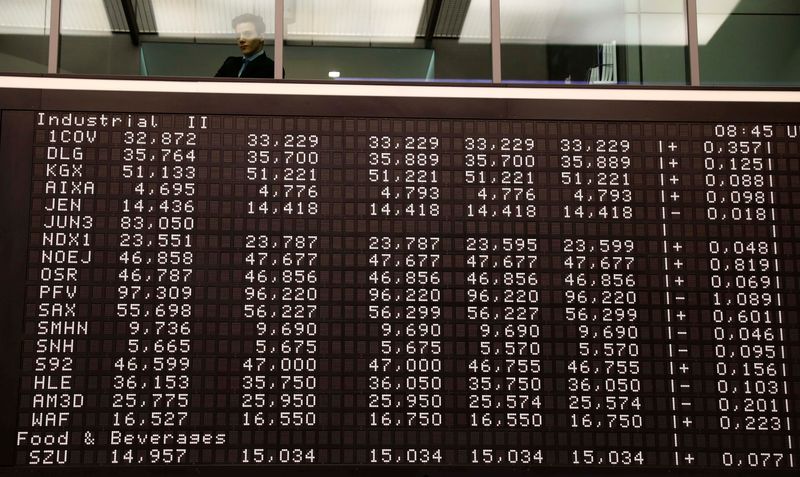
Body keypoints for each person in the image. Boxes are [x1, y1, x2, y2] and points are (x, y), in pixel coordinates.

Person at [215, 13, 276, 78]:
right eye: (238, 35)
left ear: (261, 37)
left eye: (247, 34)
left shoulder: (273, 68)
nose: (241, 39)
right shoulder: (230, 63)